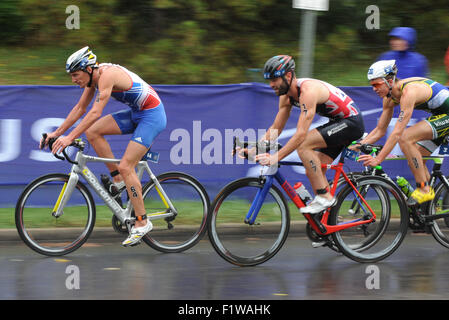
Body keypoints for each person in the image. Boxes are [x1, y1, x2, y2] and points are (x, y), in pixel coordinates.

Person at [41, 46, 167, 246]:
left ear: (88, 69)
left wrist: (69, 138)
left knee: (127, 166)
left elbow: (94, 113)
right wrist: (57, 133)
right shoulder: (93, 78)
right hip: (137, 113)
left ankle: (142, 222)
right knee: (93, 132)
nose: (73, 80)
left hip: (152, 116)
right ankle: (118, 181)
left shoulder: (107, 76)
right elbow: (80, 108)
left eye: (75, 74)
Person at [243, 55, 365, 214]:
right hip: (338, 122)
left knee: (304, 144)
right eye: (269, 80)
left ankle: (325, 197)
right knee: (314, 170)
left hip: (351, 122)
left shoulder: (307, 91)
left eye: (274, 79)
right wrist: (255, 149)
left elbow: (300, 135)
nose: (271, 84)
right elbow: (276, 128)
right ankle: (326, 225)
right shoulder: (285, 95)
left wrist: (275, 157)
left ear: (288, 76)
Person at [357, 59, 449, 204]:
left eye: (377, 84)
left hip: (446, 115)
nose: (374, 89)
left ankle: (424, 189)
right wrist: (358, 144)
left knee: (406, 138)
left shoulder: (408, 92)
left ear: (389, 80)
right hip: (441, 115)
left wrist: (378, 159)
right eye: (372, 85)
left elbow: (398, 133)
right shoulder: (389, 98)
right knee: (416, 157)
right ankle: (427, 209)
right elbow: (380, 130)